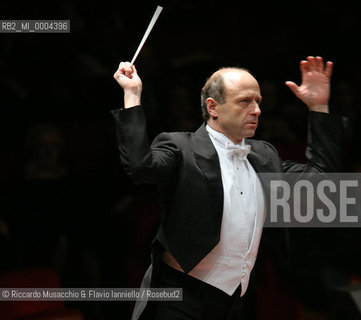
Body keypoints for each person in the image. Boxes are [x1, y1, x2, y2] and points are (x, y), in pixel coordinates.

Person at [112, 56, 343, 320]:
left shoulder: (264, 156)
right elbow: (140, 167)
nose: (256, 110)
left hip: (238, 300)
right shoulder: (180, 148)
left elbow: (321, 181)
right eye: (245, 101)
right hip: (180, 299)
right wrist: (132, 95)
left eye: (258, 101)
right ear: (213, 107)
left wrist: (319, 107)